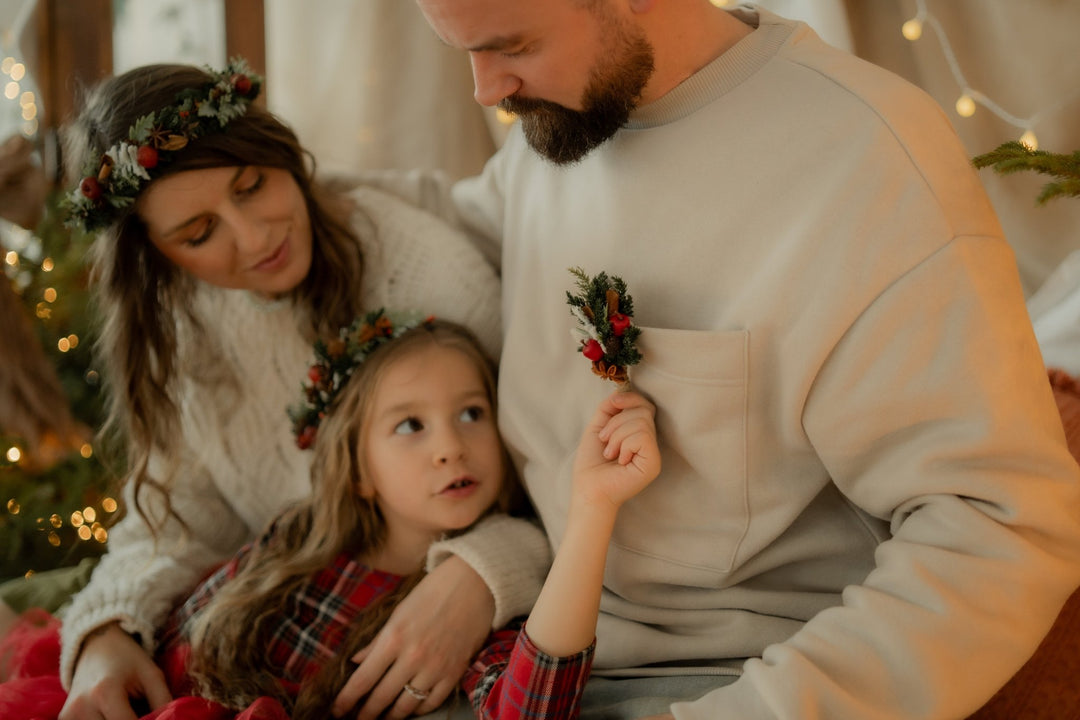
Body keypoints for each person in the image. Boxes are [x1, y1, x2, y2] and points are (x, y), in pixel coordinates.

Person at [336, 1, 1080, 718]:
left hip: (721, 684)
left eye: (512, 46)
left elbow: (999, 531)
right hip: (527, 652)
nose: (485, 88)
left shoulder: (867, 161)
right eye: (464, 49)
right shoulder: (561, 120)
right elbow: (453, 240)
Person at [31, 60, 554, 720]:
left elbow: (556, 483)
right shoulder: (187, 327)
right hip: (288, 632)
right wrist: (107, 634)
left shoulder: (427, 271)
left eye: (252, 187)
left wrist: (481, 574)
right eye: (199, 234)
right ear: (156, 256)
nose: (254, 238)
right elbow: (179, 525)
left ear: (280, 153)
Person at [0, 311, 662, 720]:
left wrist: (590, 513)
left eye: (471, 412)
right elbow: (181, 618)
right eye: (410, 424)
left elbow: (529, 710)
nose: (450, 447)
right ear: (359, 469)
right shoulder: (297, 532)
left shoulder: (477, 613)